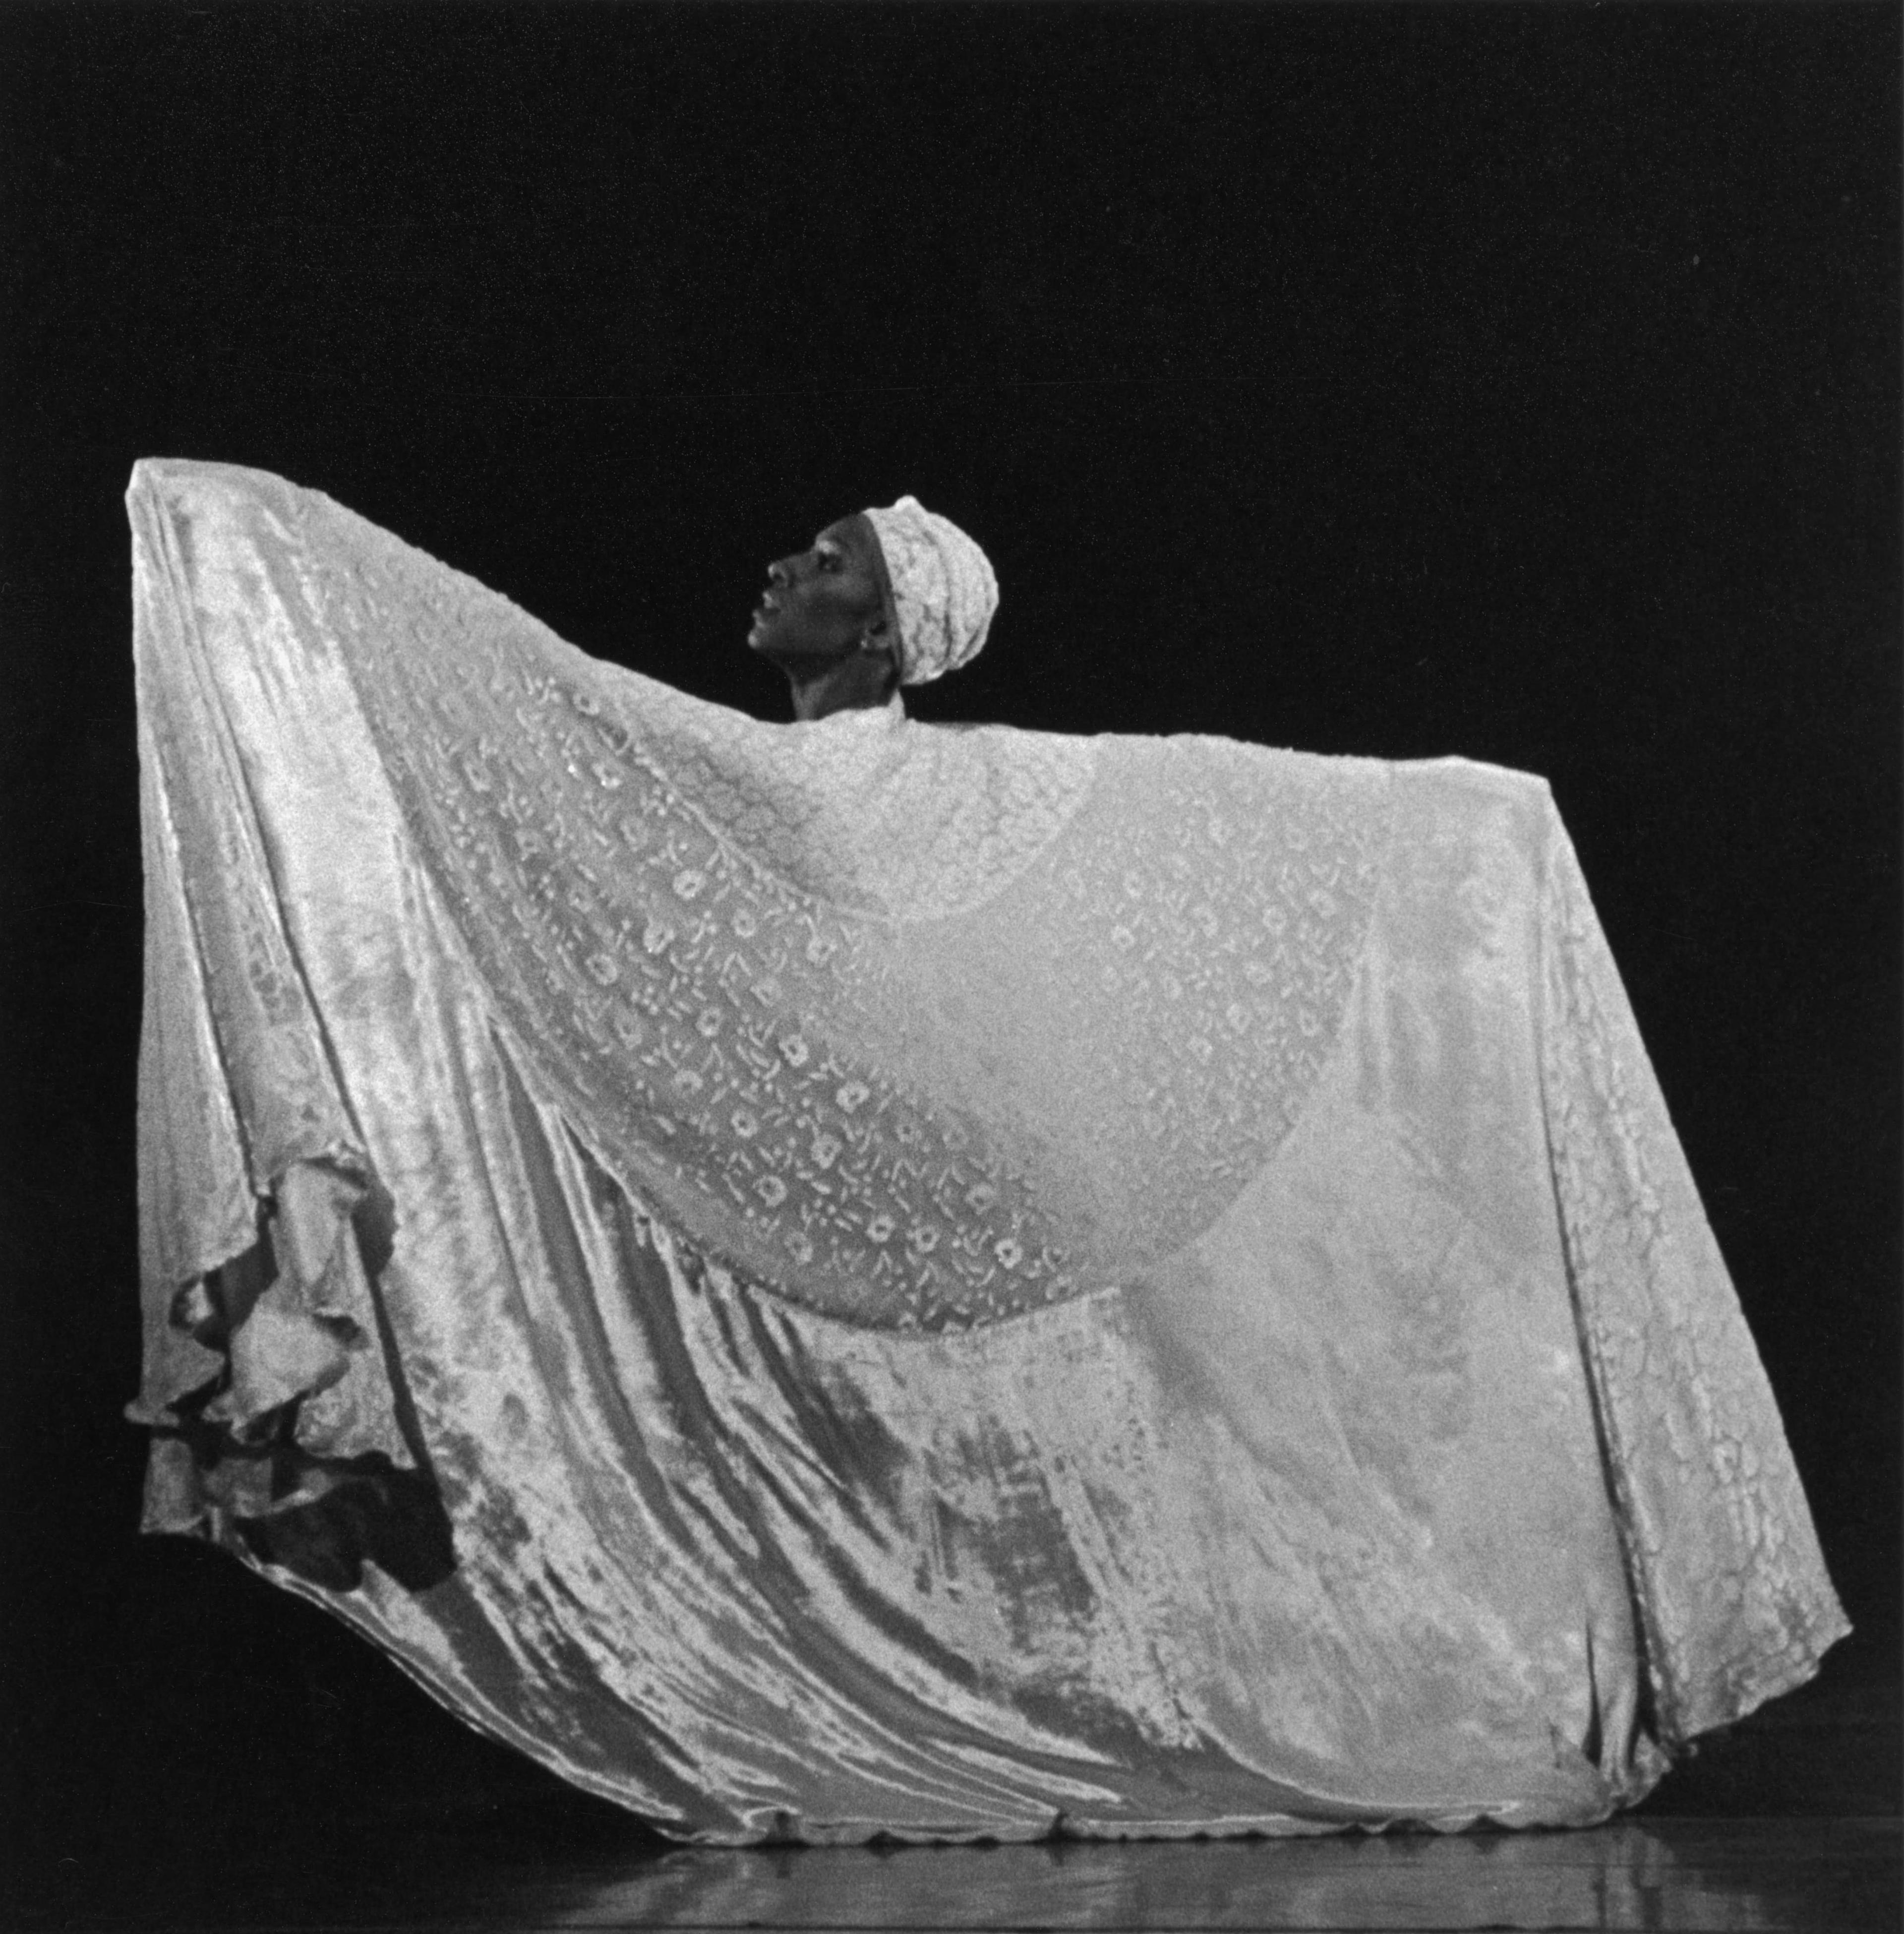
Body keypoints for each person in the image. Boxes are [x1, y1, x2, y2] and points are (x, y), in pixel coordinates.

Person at [126, 460, 1848, 1843]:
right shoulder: (764, 783)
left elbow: (1198, 804)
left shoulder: (939, 786)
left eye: (824, 567)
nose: (782, 573)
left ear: (879, 639)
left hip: (974, 1194)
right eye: (801, 555)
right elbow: (547, 716)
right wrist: (273, 561)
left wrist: (1461, 818)